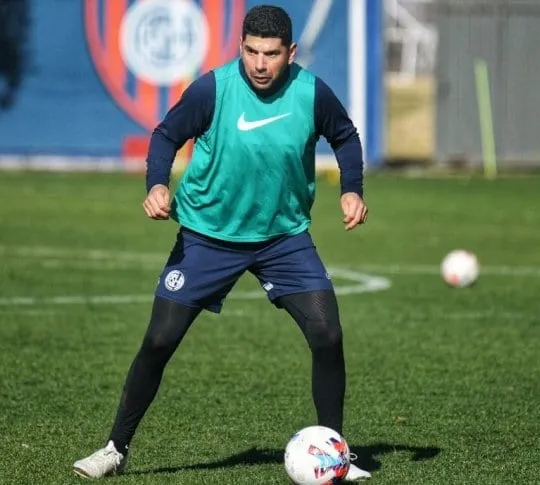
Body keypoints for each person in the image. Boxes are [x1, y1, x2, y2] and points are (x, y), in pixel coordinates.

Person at [73, 4, 371, 481]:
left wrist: (353, 189)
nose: (259, 64)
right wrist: (156, 185)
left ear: (290, 53)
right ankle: (115, 448)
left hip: (283, 238)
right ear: (240, 47)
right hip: (207, 236)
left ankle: (334, 452)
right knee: (159, 339)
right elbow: (167, 134)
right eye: (251, 51)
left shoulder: (312, 93)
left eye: (271, 54)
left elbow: (346, 137)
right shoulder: (214, 89)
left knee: (327, 334)